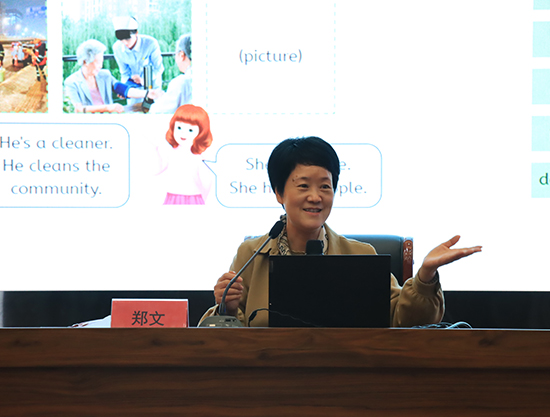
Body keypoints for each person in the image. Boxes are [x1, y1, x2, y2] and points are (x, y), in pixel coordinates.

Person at [200, 137, 482, 327]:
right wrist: (226, 308)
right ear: (278, 193)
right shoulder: (252, 255)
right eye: (303, 186)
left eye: (325, 186)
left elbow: (404, 319)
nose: (316, 197)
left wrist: (425, 275)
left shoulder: (360, 255)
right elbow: (224, 338)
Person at [64, 39, 161, 113]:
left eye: (102, 61)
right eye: (98, 62)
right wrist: (107, 108)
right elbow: (78, 109)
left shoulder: (105, 75)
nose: (101, 66)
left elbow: (122, 89)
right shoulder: (71, 82)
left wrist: (148, 93)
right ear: (85, 61)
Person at [155, 104, 214, 204]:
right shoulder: (170, 153)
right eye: (179, 127)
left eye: (190, 130)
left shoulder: (198, 158)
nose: (183, 133)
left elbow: (207, 181)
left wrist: (202, 198)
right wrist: (156, 151)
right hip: (172, 197)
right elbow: (158, 169)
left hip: (193, 198)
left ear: (201, 134)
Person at [112, 16, 164, 106]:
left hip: (152, 86)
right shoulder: (117, 48)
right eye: (121, 40)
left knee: (154, 110)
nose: (125, 43)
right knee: (134, 111)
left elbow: (158, 68)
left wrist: (144, 80)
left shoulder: (150, 43)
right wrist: (125, 89)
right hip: (134, 90)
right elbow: (124, 73)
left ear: (136, 33)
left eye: (128, 39)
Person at [150, 34, 192, 113]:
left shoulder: (181, 82)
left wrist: (159, 97)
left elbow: (158, 112)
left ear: (181, 55)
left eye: (175, 54)